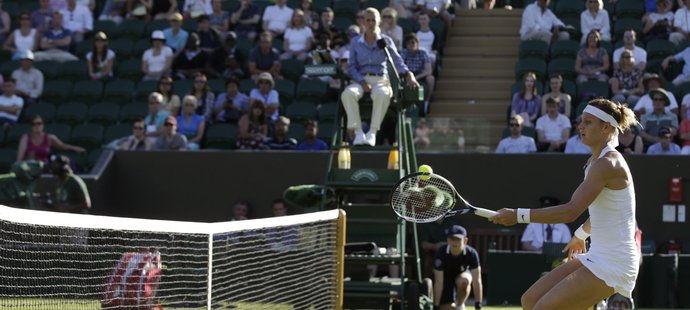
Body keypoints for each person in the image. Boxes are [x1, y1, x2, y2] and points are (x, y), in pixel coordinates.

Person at [490, 98, 641, 309]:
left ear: (606, 127)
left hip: (615, 263)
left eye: (588, 122)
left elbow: (570, 212)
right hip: (597, 256)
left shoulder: (608, 164)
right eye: (581, 121)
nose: (580, 126)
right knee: (530, 301)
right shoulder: (595, 163)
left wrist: (517, 215)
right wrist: (580, 236)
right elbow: (603, 213)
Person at [342, 7, 418, 147]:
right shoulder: (355, 42)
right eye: (368, 20)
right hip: (360, 80)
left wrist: (409, 74)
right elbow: (351, 67)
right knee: (348, 94)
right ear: (363, 22)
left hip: (381, 80)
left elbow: (397, 61)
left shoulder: (386, 41)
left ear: (379, 22)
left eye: (373, 20)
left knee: (383, 94)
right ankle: (358, 132)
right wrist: (362, 81)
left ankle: (372, 132)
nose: (370, 23)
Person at [432, 225, 483, 310]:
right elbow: (438, 282)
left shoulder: (472, 254)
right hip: (445, 279)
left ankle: (460, 306)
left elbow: (477, 280)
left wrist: (478, 304)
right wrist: (436, 306)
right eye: (452, 239)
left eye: (458, 239)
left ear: (465, 240)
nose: (454, 243)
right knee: (447, 308)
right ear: (448, 240)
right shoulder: (440, 253)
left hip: (462, 276)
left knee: (464, 281)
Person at [17, 115, 86, 162]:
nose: (37, 126)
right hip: (31, 167)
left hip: (46, 167)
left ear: (43, 125)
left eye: (39, 123)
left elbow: (62, 146)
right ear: (31, 126)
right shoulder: (25, 138)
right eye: (34, 124)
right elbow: (19, 158)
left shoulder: (49, 137)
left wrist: (75, 148)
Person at [401, 33, 435, 115]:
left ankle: (426, 102)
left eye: (413, 42)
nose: (411, 45)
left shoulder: (423, 53)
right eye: (408, 43)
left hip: (421, 75)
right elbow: (400, 67)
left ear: (417, 43)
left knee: (431, 79)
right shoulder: (404, 53)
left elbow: (428, 70)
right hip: (407, 75)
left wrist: (416, 77)